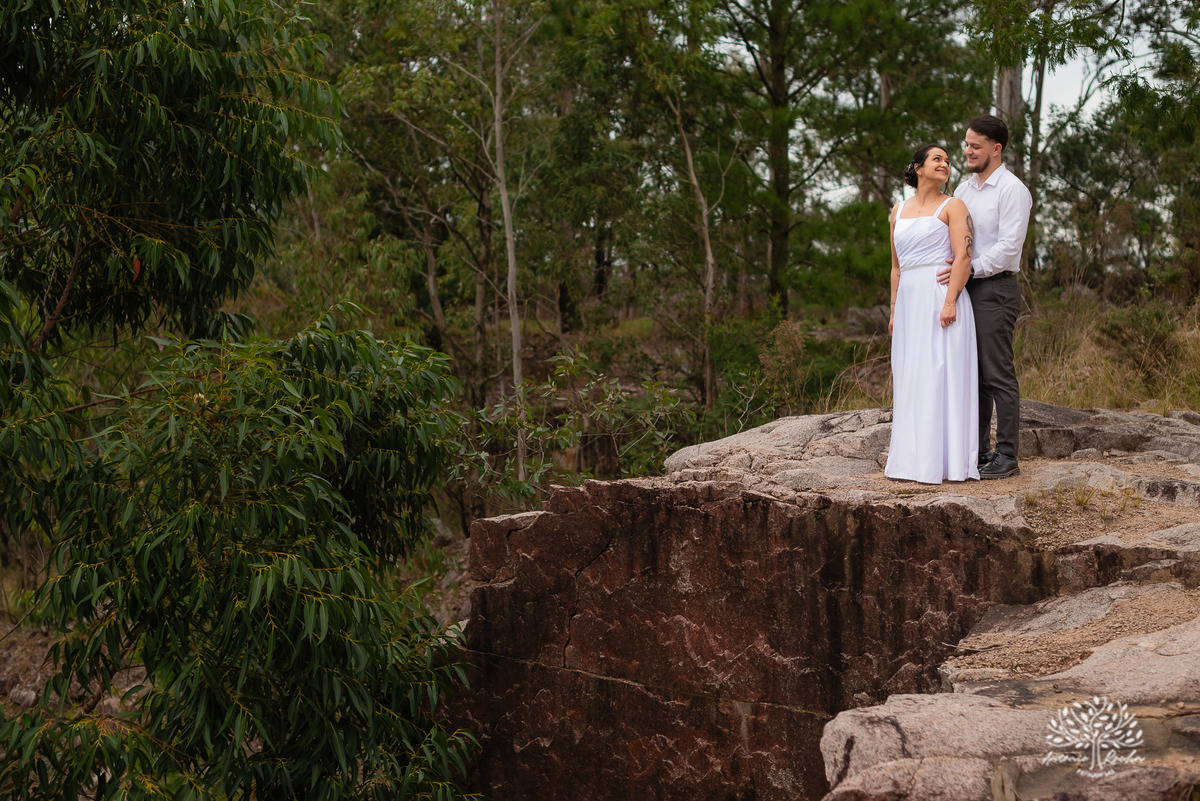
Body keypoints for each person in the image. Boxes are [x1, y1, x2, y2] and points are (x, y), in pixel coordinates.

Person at [937, 115, 1032, 479]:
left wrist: (969, 269)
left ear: (996, 149)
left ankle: (1007, 456)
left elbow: (1009, 250)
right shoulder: (962, 190)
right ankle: (977, 452)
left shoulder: (1012, 190)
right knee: (972, 374)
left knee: (997, 374)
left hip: (996, 289)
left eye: (975, 146)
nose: (967, 151)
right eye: (966, 144)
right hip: (966, 288)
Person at [885, 145, 979, 484]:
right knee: (911, 374)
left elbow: (964, 257)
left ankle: (947, 463)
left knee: (942, 373)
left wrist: (951, 299)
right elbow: (896, 268)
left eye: (948, 161)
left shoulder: (954, 205)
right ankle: (911, 461)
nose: (945, 164)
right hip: (909, 302)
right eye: (937, 159)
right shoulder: (897, 211)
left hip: (942, 299)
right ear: (917, 167)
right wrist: (895, 309)